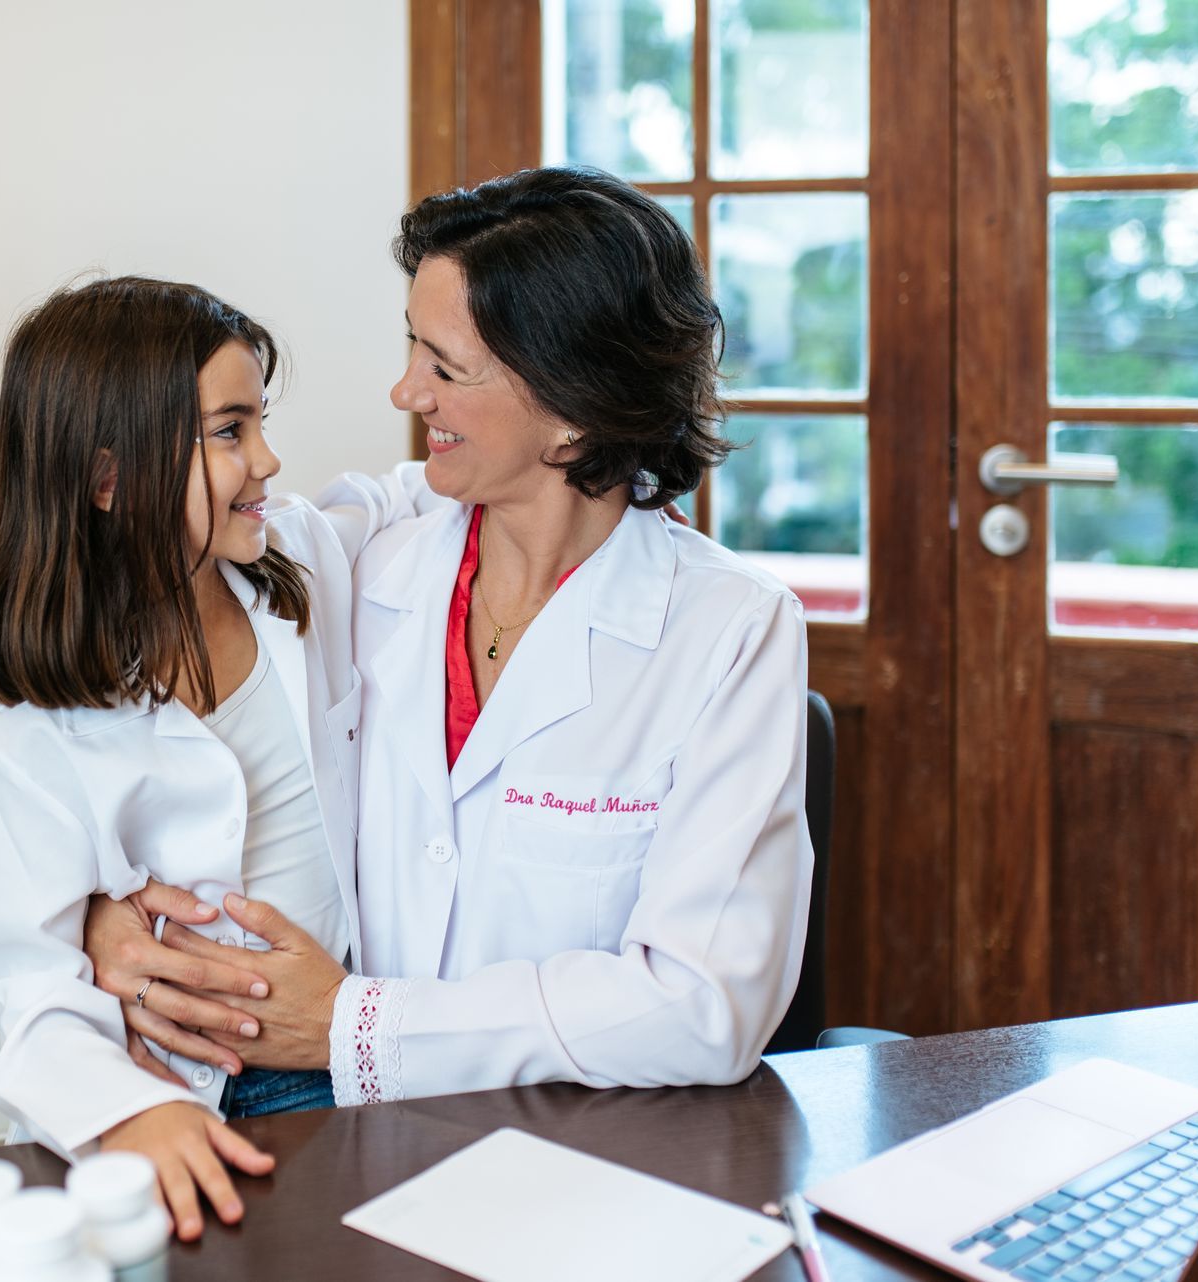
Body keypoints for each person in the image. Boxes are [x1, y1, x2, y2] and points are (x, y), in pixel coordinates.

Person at [87, 165, 815, 1113]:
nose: (406, 392)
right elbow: (135, 606)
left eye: (444, 368)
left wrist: (359, 1024)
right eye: (411, 349)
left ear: (574, 411)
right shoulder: (364, 558)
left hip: (594, 1143)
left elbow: (703, 1006)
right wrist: (94, 919)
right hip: (360, 1137)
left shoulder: (729, 631)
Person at [0, 277, 429, 1241]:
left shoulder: (302, 564)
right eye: (229, 431)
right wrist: (135, 1113)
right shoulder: (25, 741)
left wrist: (609, 488)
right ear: (107, 480)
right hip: (162, 1090)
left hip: (338, 1058)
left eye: (260, 422)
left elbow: (410, 492)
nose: (268, 459)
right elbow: (29, 988)